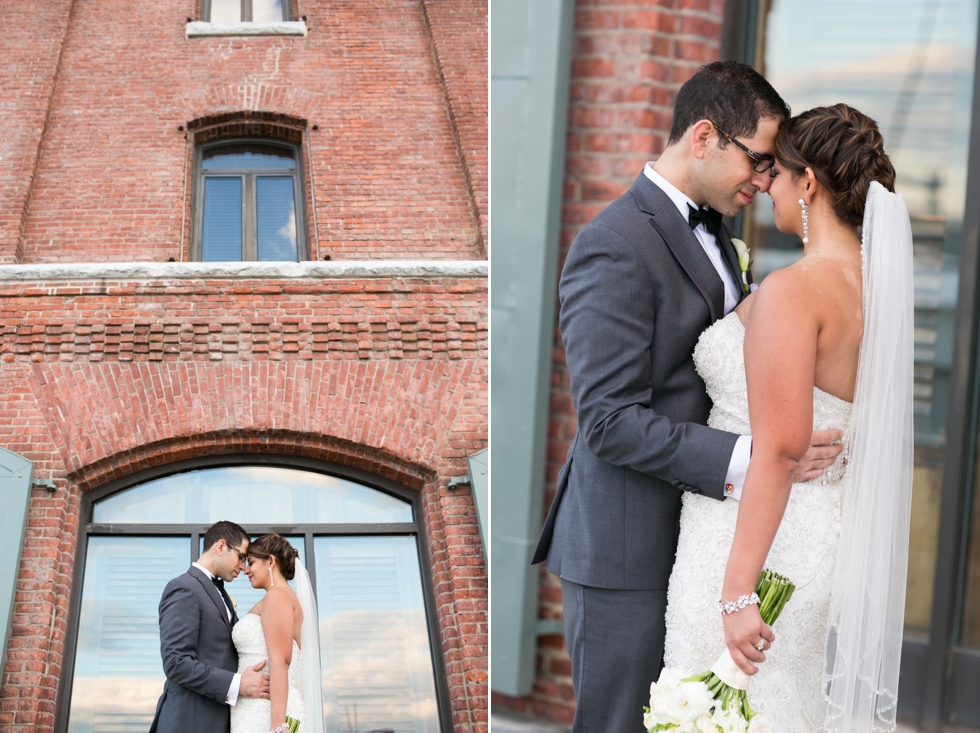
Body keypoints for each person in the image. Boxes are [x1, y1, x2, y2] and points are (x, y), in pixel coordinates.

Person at [531, 60, 844, 733]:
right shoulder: (612, 244)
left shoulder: (726, 245)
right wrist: (753, 455)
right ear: (704, 138)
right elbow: (609, 421)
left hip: (699, 539)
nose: (764, 183)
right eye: (758, 161)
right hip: (626, 547)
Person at [664, 103, 913, 731]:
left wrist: (739, 593)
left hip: (750, 549)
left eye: (776, 173)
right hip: (819, 542)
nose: (764, 185)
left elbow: (777, 449)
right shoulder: (874, 290)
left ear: (809, 184)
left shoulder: (796, 290)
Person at [149, 521, 271, 733]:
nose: (244, 567)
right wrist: (238, 684)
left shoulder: (220, 592)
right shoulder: (184, 587)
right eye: (241, 557)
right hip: (188, 724)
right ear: (221, 546)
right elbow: (176, 663)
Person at [231, 533, 324, 733]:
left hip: (267, 713)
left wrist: (277, 727)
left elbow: (280, 662)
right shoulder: (280, 597)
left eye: (252, 563)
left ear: (270, 561)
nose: (246, 570)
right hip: (256, 709)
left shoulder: (277, 597)